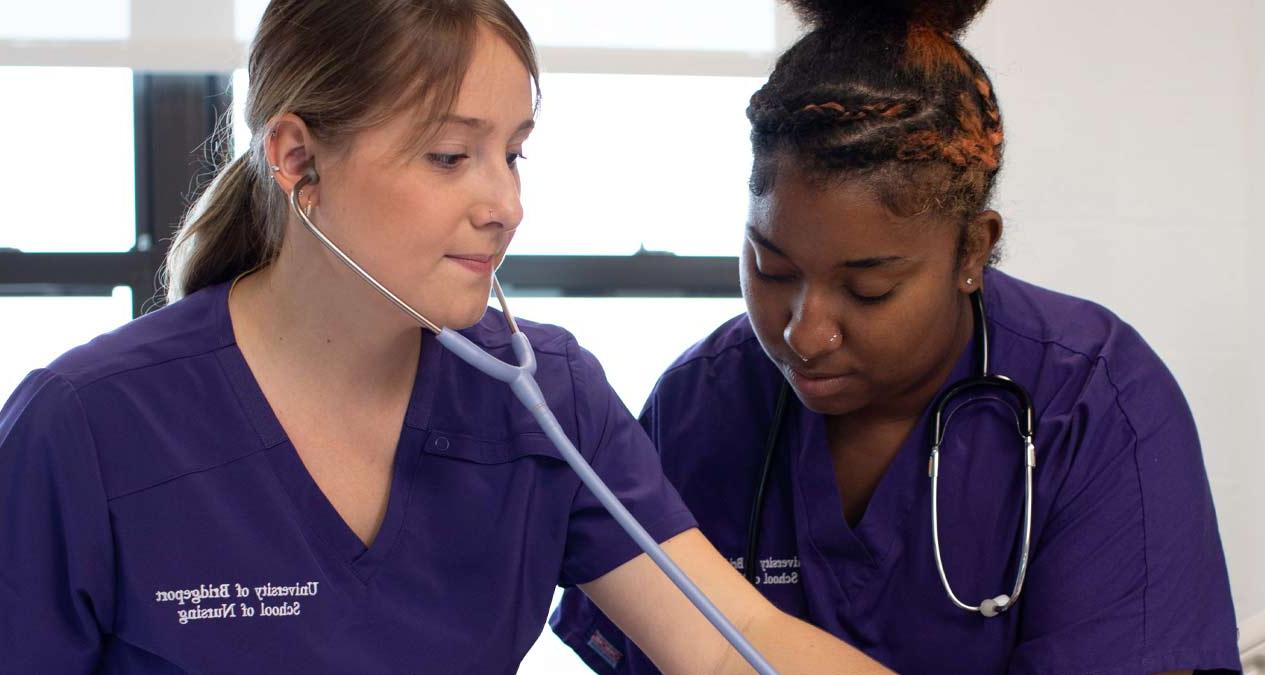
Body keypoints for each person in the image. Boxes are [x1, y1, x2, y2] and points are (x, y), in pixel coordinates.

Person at [0, 1, 886, 672]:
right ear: (297, 159)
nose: (505, 205)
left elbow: (736, 645)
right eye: (451, 157)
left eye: (515, 152)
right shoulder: (85, 429)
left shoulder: (547, 400)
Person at [552, 1, 1241, 672]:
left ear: (972, 250)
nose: (805, 331)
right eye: (772, 266)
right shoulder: (700, 405)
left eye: (868, 288)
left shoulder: (1096, 403)